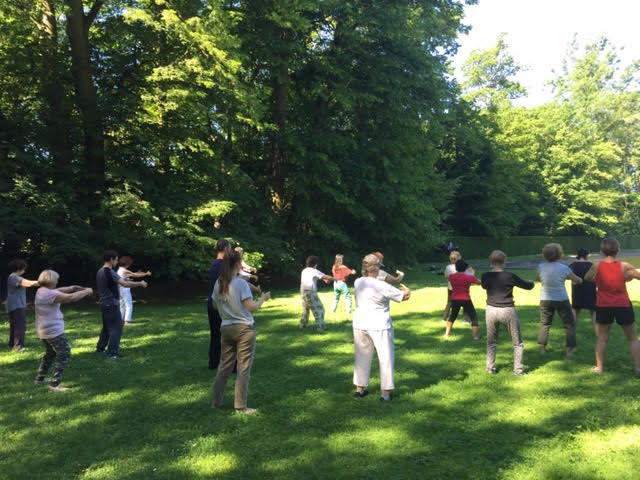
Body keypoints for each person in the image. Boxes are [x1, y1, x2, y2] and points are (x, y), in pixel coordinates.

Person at [211, 251, 270, 414]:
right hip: (244, 329)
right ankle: (240, 406)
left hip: (226, 328)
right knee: (243, 368)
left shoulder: (219, 282)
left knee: (224, 366)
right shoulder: (240, 284)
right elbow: (251, 307)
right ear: (238, 264)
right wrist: (263, 298)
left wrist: (228, 308)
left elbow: (215, 306)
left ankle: (216, 402)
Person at [352, 254, 410, 402]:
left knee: (361, 356)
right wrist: (408, 291)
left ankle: (359, 390)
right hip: (379, 325)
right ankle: (385, 394)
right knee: (385, 358)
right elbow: (403, 297)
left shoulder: (358, 282)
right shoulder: (382, 285)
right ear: (376, 267)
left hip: (360, 323)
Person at [584, 237, 640, 374]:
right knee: (632, 338)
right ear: (618, 250)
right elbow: (637, 275)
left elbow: (587, 278)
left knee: (602, 338)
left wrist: (600, 281)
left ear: (602, 251)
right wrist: (627, 278)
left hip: (603, 305)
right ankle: (638, 368)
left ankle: (599, 368)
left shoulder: (597, 266)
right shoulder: (625, 266)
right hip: (622, 305)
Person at [34, 270, 93, 392]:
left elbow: (59, 290)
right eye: (56, 279)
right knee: (64, 353)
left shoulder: (41, 291)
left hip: (44, 330)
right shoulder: (48, 294)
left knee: (51, 353)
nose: (57, 281)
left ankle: (40, 378)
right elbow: (70, 298)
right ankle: (54, 385)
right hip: (53, 331)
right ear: (51, 281)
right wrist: (86, 291)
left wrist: (72, 287)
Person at [481, 250, 534, 375]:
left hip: (491, 310)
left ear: (491, 261)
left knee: (491, 341)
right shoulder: (510, 276)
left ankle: (489, 368)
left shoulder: (485, 276)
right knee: (517, 343)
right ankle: (518, 370)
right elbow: (528, 286)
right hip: (508, 310)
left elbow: (484, 286)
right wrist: (531, 282)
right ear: (504, 261)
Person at [96, 250, 148, 359]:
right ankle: (112, 354)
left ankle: (100, 349)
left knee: (106, 327)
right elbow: (124, 283)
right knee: (116, 328)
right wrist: (140, 283)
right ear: (111, 259)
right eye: (115, 259)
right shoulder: (109, 272)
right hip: (111, 304)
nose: (116, 261)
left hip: (104, 303)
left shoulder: (100, 271)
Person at [536, 243, 582, 357]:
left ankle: (542, 350)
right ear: (559, 254)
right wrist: (580, 280)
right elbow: (576, 279)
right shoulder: (563, 268)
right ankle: (569, 352)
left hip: (545, 299)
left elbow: (537, 278)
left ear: (545, 255)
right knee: (569, 324)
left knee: (544, 324)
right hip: (561, 299)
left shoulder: (541, 267)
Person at [5, 259, 39, 351]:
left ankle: (12, 344)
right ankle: (18, 346)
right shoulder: (14, 277)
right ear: (19, 268)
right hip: (16, 305)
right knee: (20, 325)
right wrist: (44, 281)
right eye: (23, 268)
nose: (24, 270)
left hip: (15, 305)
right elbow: (28, 283)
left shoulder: (13, 277)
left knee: (15, 325)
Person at [207, 239, 231, 369]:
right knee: (228, 333)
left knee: (216, 333)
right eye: (230, 249)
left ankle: (214, 362)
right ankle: (231, 365)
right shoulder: (223, 265)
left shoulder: (213, 264)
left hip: (212, 302)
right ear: (226, 249)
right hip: (220, 303)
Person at [444, 259, 481, 339]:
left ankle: (447, 334)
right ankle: (475, 336)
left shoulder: (451, 276)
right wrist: (472, 274)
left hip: (455, 299)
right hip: (466, 299)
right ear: (465, 268)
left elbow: (447, 278)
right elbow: (478, 282)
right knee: (473, 317)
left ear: (456, 268)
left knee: (452, 316)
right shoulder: (469, 277)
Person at [299, 256, 337, 332]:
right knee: (320, 309)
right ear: (315, 264)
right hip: (310, 292)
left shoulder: (305, 270)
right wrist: (335, 279)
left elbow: (322, 278)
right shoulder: (314, 271)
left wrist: (326, 280)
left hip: (303, 292)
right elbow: (325, 276)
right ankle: (319, 328)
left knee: (306, 310)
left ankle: (302, 326)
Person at [116, 256, 151, 326]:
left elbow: (131, 275)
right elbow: (135, 275)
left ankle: (119, 321)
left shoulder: (119, 270)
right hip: (125, 289)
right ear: (127, 264)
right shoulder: (124, 270)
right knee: (129, 305)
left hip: (120, 290)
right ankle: (127, 322)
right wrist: (146, 274)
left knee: (122, 306)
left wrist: (138, 274)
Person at [570, 248, 597, 334]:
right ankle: (597, 333)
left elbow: (568, 276)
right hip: (591, 290)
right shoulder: (591, 265)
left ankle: (571, 332)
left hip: (577, 290)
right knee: (593, 311)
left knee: (575, 310)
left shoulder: (572, 265)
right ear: (586, 255)